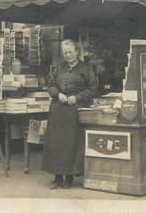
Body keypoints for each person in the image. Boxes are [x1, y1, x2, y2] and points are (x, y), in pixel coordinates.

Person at [42, 39, 97, 189]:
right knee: (56, 143)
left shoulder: (86, 68)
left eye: (70, 52)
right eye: (65, 53)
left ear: (76, 51)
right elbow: (50, 84)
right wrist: (57, 94)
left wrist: (77, 97)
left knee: (71, 144)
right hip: (58, 109)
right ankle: (57, 177)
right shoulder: (59, 68)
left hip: (74, 110)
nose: (67, 55)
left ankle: (69, 177)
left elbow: (92, 88)